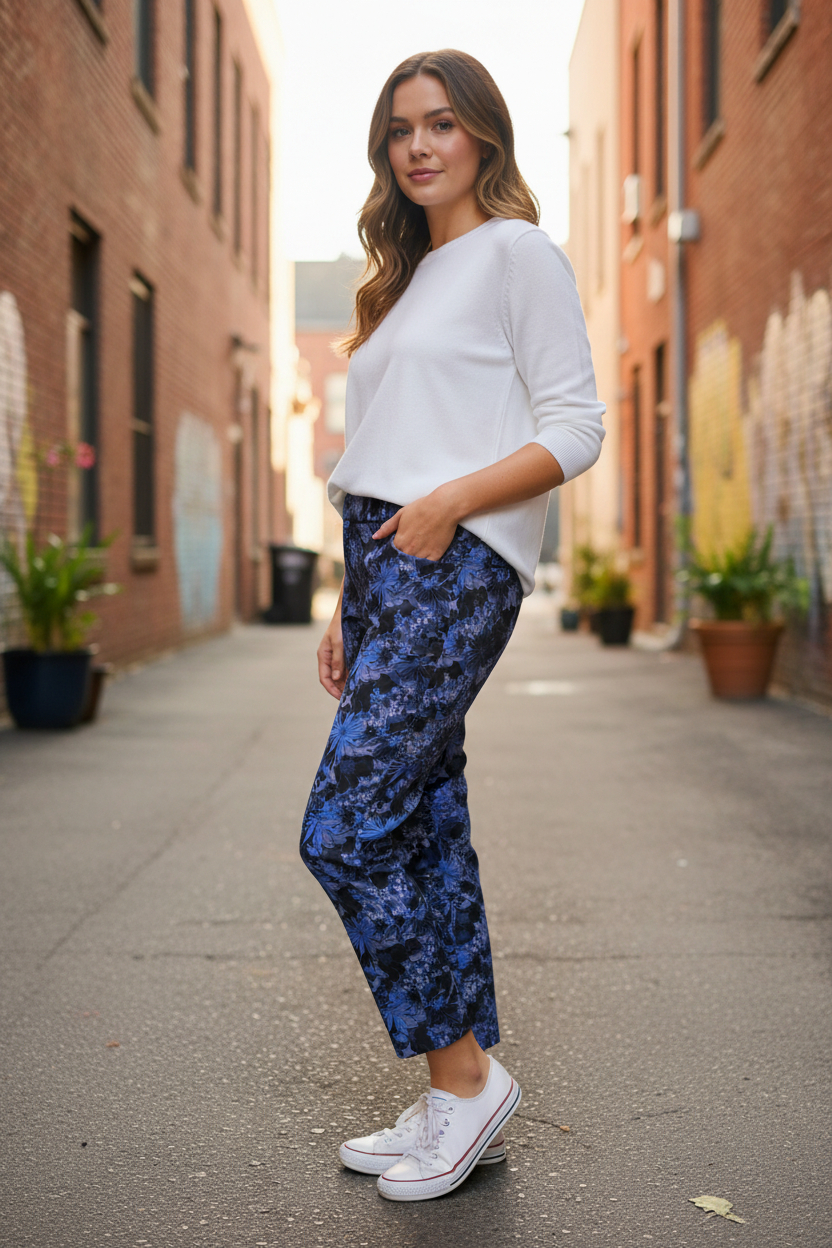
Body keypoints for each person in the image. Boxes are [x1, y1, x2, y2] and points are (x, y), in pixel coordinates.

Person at [300, 48, 605, 1202]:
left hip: (453, 557)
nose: (418, 146)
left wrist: (448, 504)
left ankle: (466, 1077)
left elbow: (575, 428)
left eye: (439, 123)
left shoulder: (516, 253)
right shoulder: (405, 280)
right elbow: (383, 449)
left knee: (344, 827)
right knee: (424, 822)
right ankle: (453, 1103)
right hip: (385, 565)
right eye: (399, 129)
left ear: (483, 133)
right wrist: (349, 600)